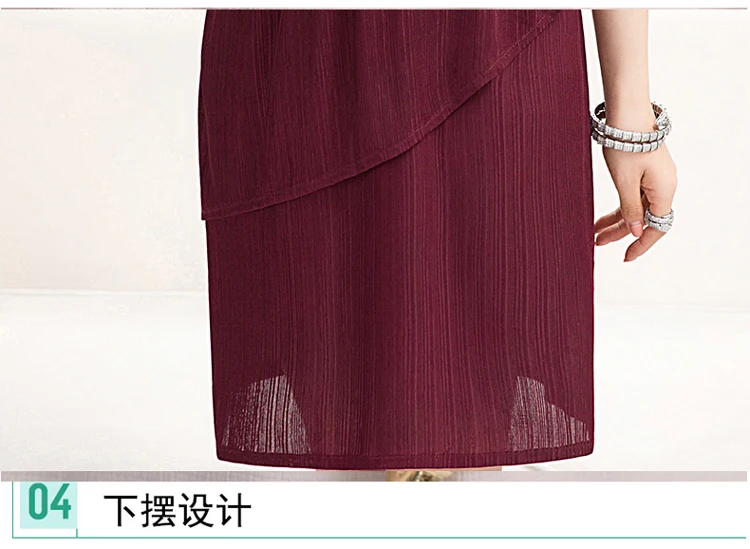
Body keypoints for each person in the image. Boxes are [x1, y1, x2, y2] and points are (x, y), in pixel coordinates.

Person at [197, 9, 678, 481]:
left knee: (461, 430)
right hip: (305, 52)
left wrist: (633, 117)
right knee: (342, 413)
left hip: (489, 42)